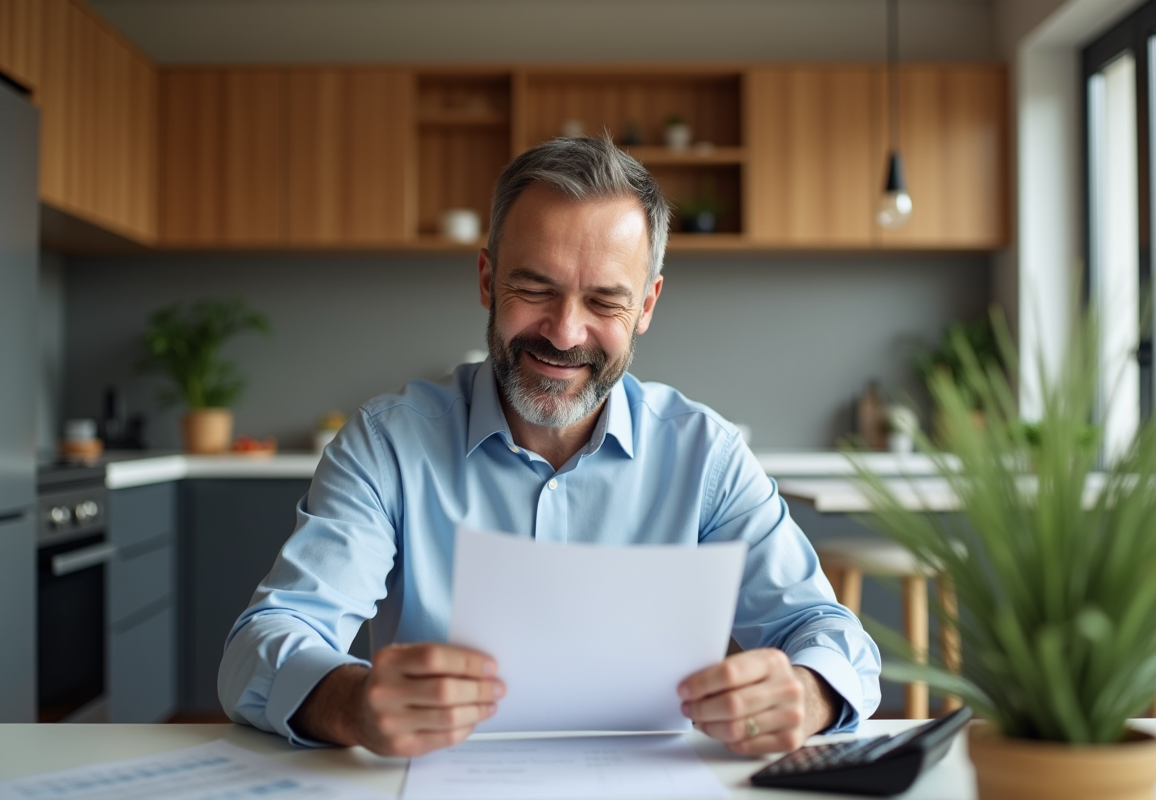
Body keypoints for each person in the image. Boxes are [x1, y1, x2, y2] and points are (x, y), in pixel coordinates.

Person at [218, 136, 881, 758]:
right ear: (486, 280)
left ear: (646, 306)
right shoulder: (388, 445)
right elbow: (261, 644)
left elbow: (831, 634)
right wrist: (351, 704)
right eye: (535, 289)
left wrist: (809, 693)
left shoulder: (705, 456)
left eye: (603, 301)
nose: (565, 332)